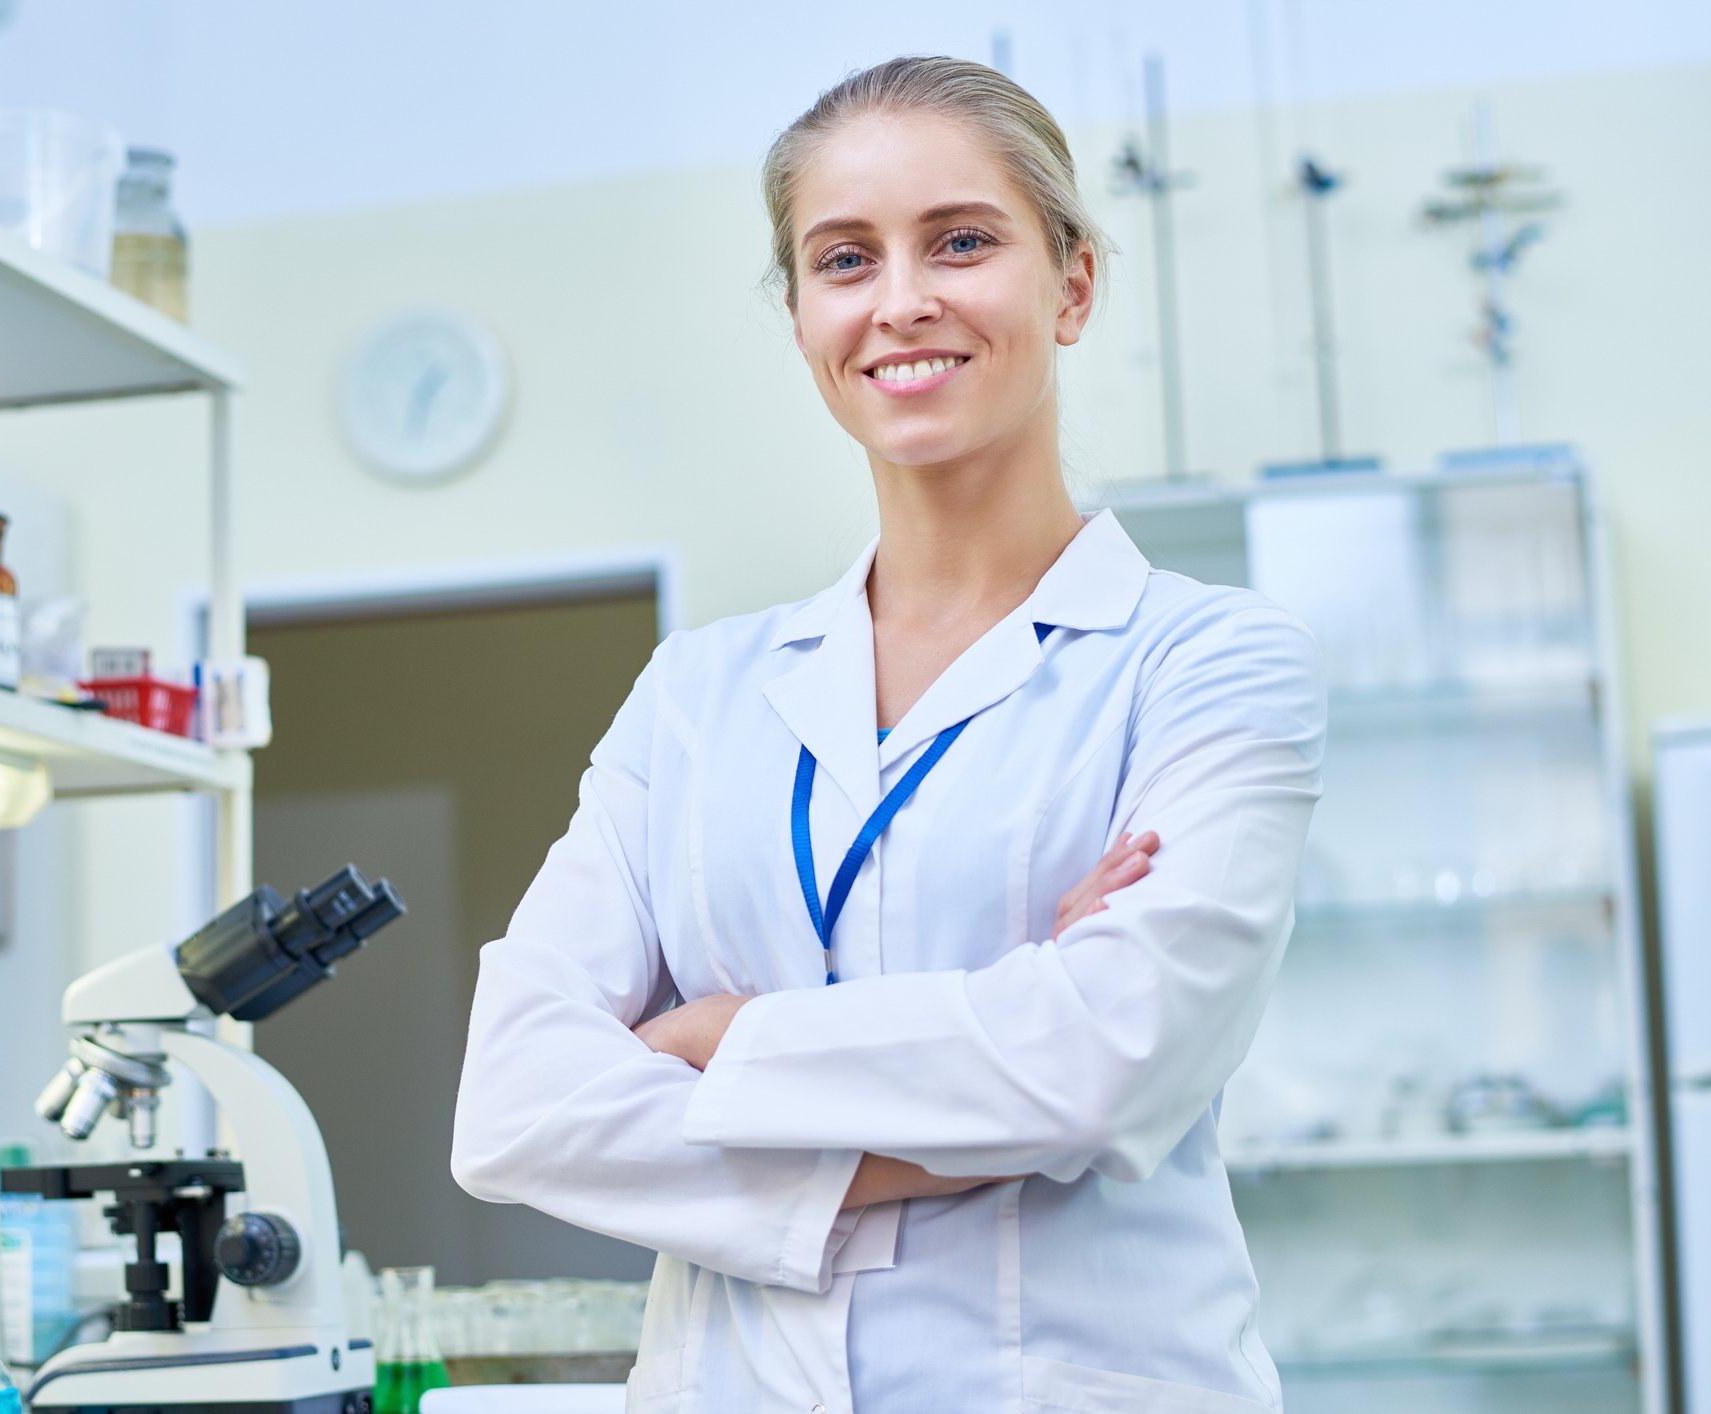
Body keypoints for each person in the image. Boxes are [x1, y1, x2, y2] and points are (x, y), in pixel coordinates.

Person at [451, 55, 1326, 1413]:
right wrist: (996, 1077)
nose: (902, 301)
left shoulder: (1206, 663)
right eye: (844, 258)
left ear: (1073, 283)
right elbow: (514, 1106)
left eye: (962, 241)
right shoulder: (695, 695)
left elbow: (1105, 1060)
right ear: (800, 315)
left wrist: (727, 1037)